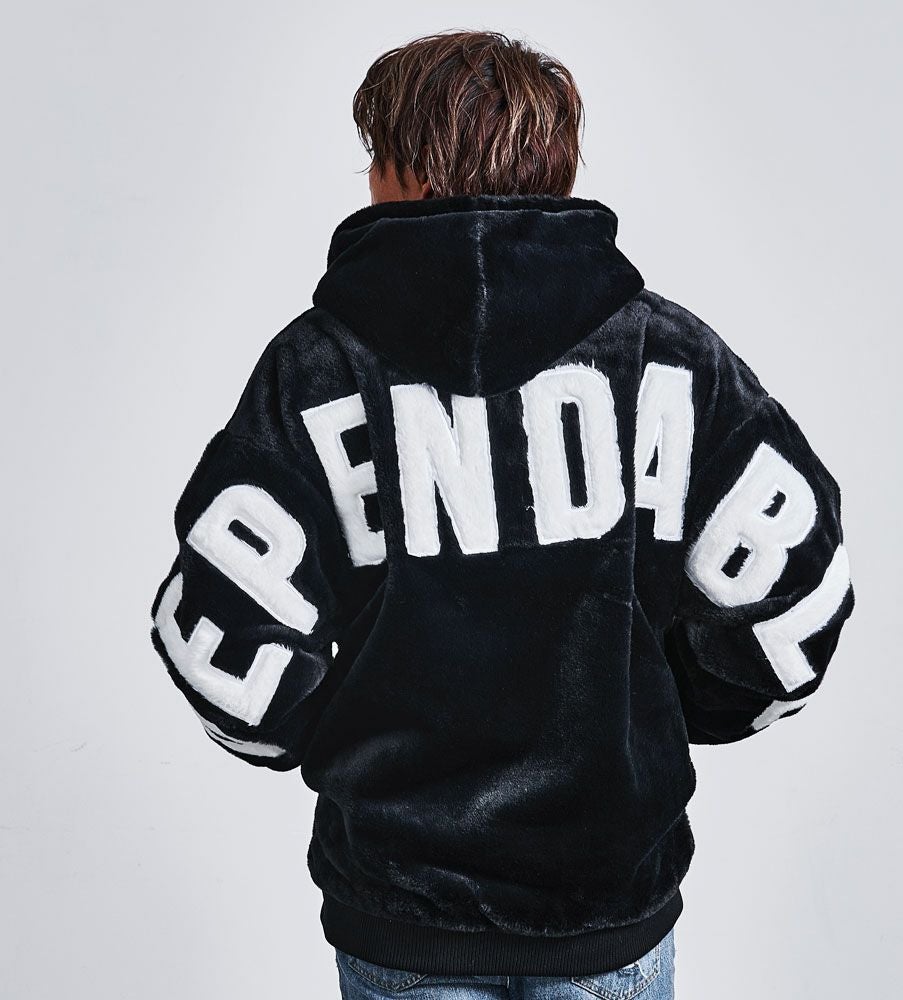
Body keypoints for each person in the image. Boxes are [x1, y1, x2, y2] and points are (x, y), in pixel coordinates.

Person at [149, 29, 855, 1000]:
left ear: (404, 170)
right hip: (605, 904)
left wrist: (341, 742)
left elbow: (224, 643)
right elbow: (793, 603)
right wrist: (657, 714)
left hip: (402, 907)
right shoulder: (669, 360)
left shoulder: (318, 369)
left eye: (375, 156)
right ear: (554, 164)